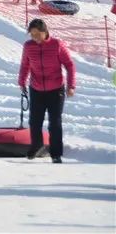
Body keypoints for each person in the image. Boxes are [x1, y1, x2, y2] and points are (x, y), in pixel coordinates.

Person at [18, 19, 75, 163]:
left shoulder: (57, 45)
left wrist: (71, 85)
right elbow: (25, 65)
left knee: (54, 123)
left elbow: (69, 65)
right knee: (34, 121)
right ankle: (36, 145)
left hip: (56, 89)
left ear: (45, 32)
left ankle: (56, 153)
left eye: (37, 34)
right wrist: (22, 81)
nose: (35, 38)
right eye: (32, 35)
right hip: (36, 88)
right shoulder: (28, 46)